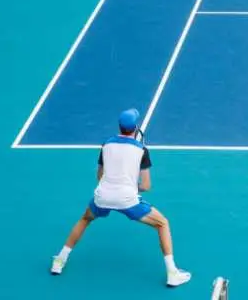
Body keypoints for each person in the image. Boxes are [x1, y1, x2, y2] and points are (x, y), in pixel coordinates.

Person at [50, 109, 198, 289]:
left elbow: (100, 176)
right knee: (162, 223)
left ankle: (60, 260)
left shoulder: (106, 145)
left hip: (103, 196)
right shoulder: (141, 150)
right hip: (128, 199)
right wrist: (130, 186)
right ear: (135, 128)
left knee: (85, 219)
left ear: (119, 127)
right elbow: (146, 186)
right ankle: (172, 273)